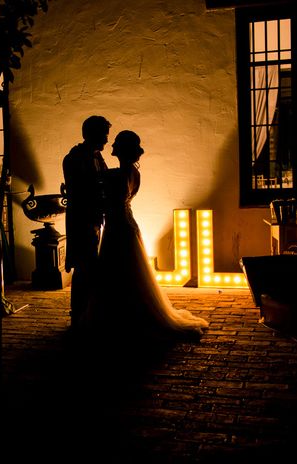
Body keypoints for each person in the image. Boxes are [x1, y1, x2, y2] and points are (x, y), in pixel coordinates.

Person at [81, 130, 209, 346]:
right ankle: (131, 311)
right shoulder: (131, 173)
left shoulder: (118, 175)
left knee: (118, 271)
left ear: (122, 150)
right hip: (127, 224)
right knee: (130, 271)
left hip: (118, 227)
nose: (111, 147)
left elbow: (108, 197)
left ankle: (120, 317)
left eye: (115, 144)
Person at [62, 115, 111, 330]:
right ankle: (78, 314)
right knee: (83, 267)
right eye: (104, 135)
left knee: (91, 267)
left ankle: (88, 313)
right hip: (82, 219)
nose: (106, 141)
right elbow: (82, 191)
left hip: (94, 218)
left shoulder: (97, 157)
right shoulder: (74, 159)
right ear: (92, 134)